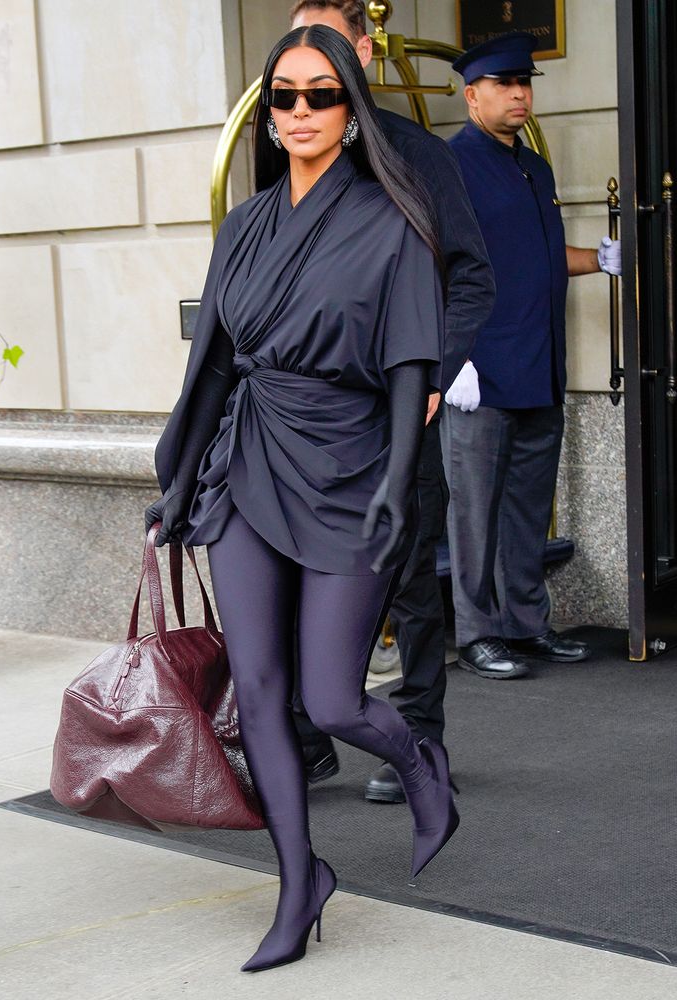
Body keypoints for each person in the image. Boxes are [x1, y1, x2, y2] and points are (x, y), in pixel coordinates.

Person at [145, 24, 458, 973]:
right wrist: (177, 479)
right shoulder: (243, 227)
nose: (299, 114)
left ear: (351, 110)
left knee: (331, 698)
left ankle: (413, 757)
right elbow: (214, 363)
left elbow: (410, 366)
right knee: (266, 696)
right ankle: (297, 883)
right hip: (246, 462)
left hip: (351, 467)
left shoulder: (390, 220)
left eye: (320, 96)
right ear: (266, 113)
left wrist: (400, 482)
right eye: (282, 97)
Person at [289, 0, 495, 803]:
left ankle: (418, 739)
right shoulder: (293, 152)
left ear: (365, 56)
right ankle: (308, 740)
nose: (311, 74)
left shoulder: (415, 153)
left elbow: (472, 275)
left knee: (407, 577)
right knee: (302, 571)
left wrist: (435, 375)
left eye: (329, 51)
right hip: (306, 418)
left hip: (397, 407)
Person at [442, 32, 622, 680]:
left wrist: (596, 261)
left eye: (524, 84)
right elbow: (427, 265)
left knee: (524, 508)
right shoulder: (451, 165)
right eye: (504, 85)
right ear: (472, 95)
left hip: (537, 366)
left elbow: (538, 259)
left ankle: (523, 623)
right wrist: (448, 359)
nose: (519, 95)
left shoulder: (531, 166)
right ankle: (476, 633)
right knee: (472, 513)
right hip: (480, 373)